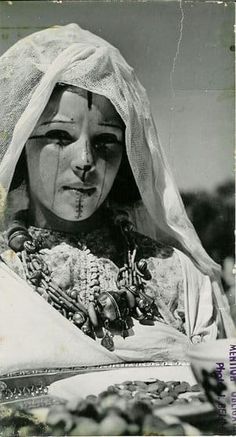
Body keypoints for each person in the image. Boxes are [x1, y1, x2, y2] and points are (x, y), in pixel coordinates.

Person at [0, 24, 234, 375]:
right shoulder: (7, 276)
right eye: (60, 136)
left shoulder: (180, 278)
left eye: (105, 140)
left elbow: (224, 407)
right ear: (20, 148)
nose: (84, 161)